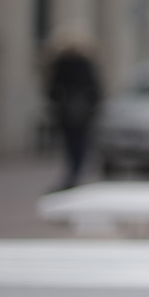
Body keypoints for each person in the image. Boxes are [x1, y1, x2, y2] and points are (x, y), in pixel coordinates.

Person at [44, 25, 103, 190]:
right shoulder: (86, 63)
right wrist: (92, 107)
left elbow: (52, 90)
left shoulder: (59, 63)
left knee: (70, 143)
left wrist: (59, 105)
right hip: (83, 113)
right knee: (80, 143)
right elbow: (95, 89)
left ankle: (72, 173)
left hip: (65, 112)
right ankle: (76, 172)